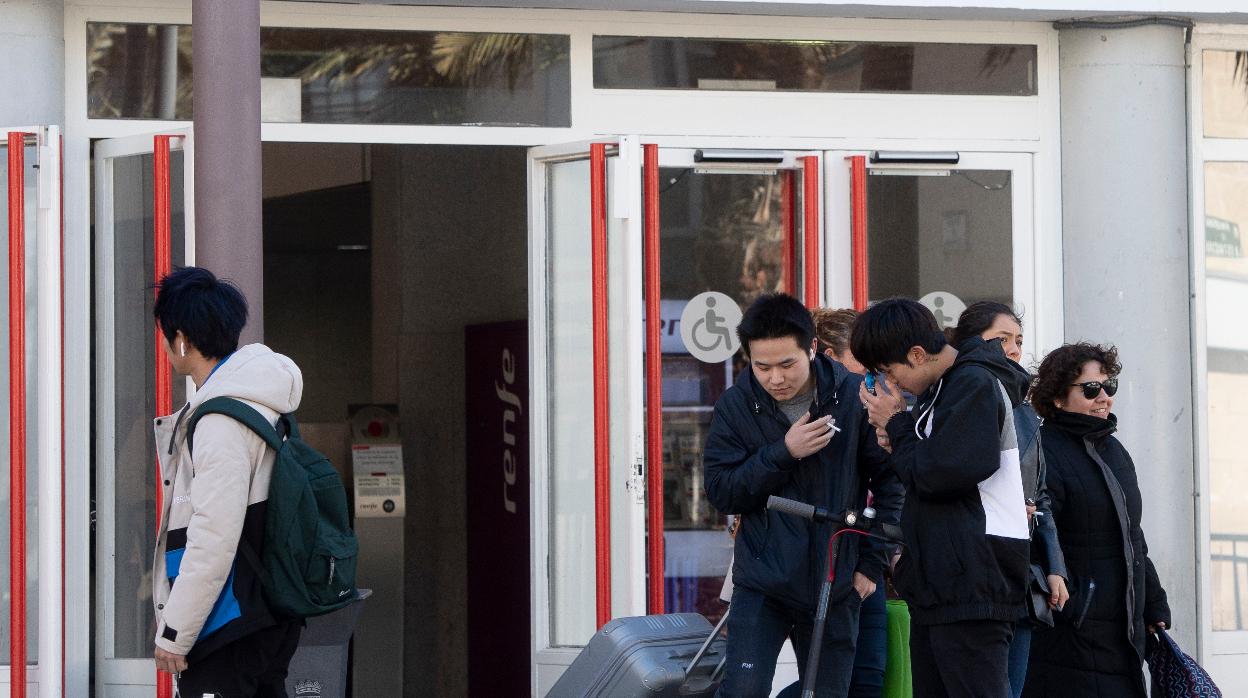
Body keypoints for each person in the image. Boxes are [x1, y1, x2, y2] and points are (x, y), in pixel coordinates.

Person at [705, 293, 903, 697]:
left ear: (812, 348)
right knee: (742, 691)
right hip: (763, 581)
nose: (775, 378)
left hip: (835, 580)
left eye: (786, 364)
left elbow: (891, 483)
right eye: (762, 367)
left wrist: (870, 565)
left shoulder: (852, 395)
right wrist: (783, 452)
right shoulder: (736, 405)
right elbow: (722, 491)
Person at [853, 298, 1031, 698]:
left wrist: (896, 425)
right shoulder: (947, 388)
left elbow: (943, 473)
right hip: (944, 582)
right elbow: (931, 467)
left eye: (888, 372)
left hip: (972, 583)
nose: (891, 384)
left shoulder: (973, 382)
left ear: (917, 354)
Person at [150, 267, 305, 697]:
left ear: (181, 339)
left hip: (230, 622)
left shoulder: (220, 420)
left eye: (165, 334)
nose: (163, 345)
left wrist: (176, 632)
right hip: (269, 611)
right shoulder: (266, 407)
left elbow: (213, 536)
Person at [1022, 343, 1171, 697]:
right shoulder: (1042, 451)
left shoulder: (1113, 450)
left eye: (1109, 386)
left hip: (1124, 627)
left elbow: (1132, 535)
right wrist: (1072, 604)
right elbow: (1038, 536)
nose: (1104, 396)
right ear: (1058, 398)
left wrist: (1153, 602)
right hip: (1071, 629)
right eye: (1091, 389)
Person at [949, 302, 1070, 698]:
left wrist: (1055, 567)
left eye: (1019, 340)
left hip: (1020, 568)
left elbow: (1042, 496)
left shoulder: (1026, 413)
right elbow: (944, 476)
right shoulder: (958, 395)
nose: (1015, 349)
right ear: (970, 344)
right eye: (1002, 339)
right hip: (972, 568)